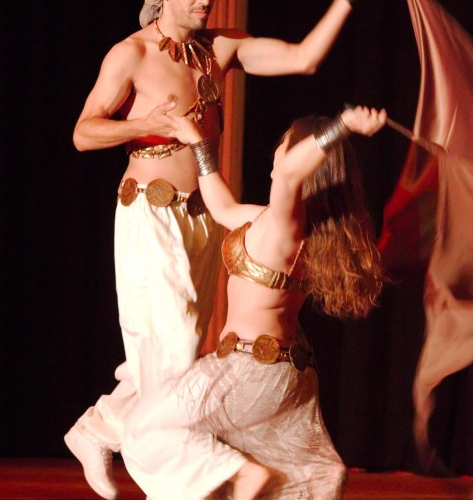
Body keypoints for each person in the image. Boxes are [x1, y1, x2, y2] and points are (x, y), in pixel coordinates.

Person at [65, 0, 382, 500]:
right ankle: (177, 474)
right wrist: (144, 125)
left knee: (180, 352)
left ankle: (103, 426)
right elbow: (83, 133)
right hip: (151, 212)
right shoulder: (130, 55)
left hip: (207, 217)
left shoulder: (219, 49)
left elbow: (303, 58)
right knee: (168, 349)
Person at [120, 105, 388, 499]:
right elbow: (223, 208)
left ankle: (244, 475)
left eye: (284, 143)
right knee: (234, 467)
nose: (277, 152)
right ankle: (244, 476)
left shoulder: (287, 223)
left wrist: (342, 125)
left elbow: (291, 172)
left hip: (252, 371)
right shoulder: (278, 221)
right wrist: (198, 144)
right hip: (277, 370)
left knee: (143, 429)